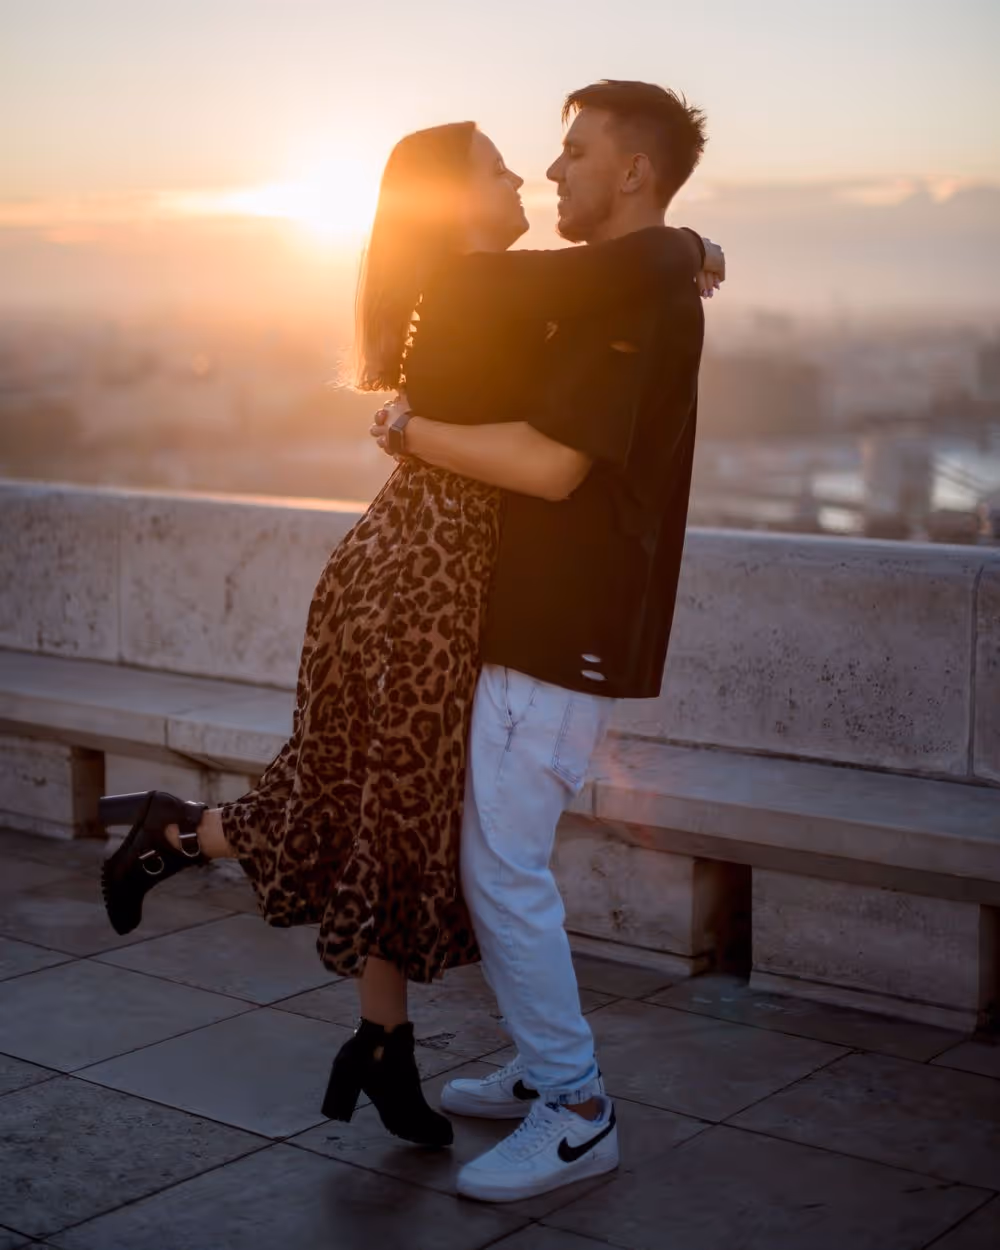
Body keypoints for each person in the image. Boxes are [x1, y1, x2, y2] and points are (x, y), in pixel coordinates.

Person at [96, 102, 719, 1155]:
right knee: (382, 803)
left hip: (437, 582)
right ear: (448, 205)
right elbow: (625, 274)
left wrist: (682, 249)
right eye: (500, 167)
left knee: (389, 807)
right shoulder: (482, 283)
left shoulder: (528, 288)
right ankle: (194, 850)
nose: (530, 175)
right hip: (419, 584)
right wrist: (687, 245)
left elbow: (609, 303)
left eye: (562, 154)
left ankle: (383, 1033)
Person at [370, 80, 711, 1201]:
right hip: (534, 619)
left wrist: (409, 431)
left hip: (566, 628)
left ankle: (575, 1107)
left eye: (575, 153)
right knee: (501, 858)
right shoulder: (608, 281)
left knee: (502, 867)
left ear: (634, 172)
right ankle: (538, 1061)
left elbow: (553, 464)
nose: (552, 170)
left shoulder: (638, 302)